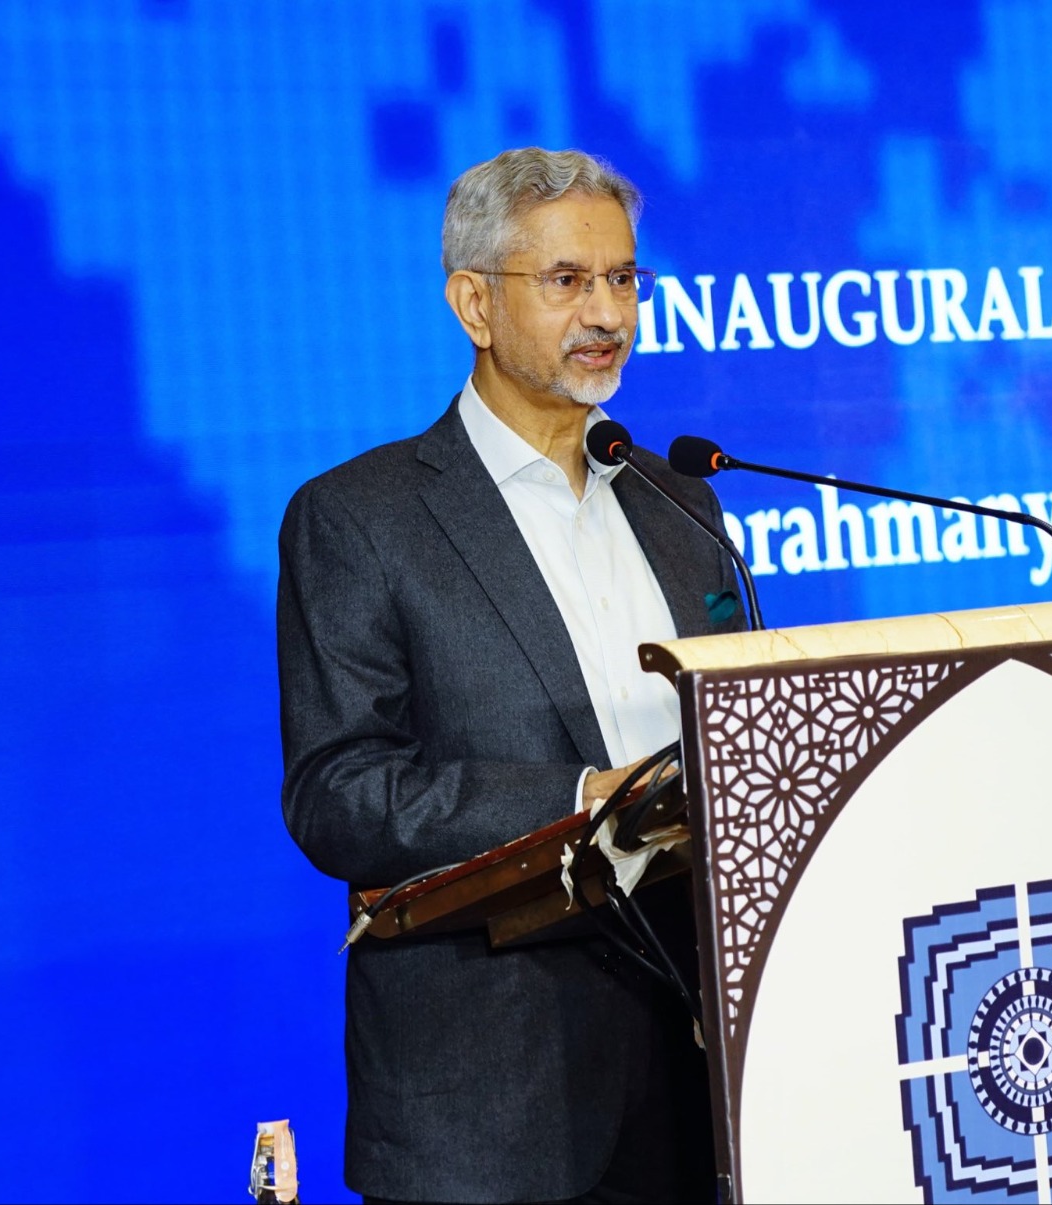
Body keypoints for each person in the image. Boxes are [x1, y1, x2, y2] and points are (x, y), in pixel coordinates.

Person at [276, 147, 739, 1204]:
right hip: (490, 1103)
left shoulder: (681, 503)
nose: (607, 313)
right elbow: (339, 793)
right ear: (474, 303)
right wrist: (580, 798)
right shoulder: (360, 519)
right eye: (567, 280)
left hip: (696, 1077)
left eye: (622, 278)